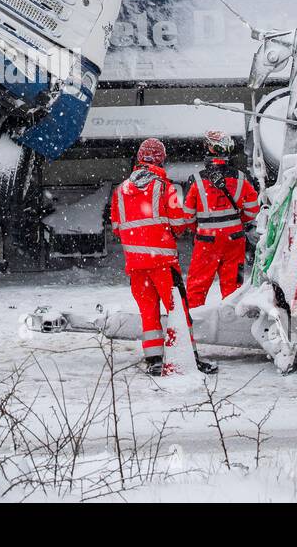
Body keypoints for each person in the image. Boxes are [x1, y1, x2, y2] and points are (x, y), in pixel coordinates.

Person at [109, 137, 216, 376]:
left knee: (148, 313)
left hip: (136, 266)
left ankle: (154, 360)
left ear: (139, 159)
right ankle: (190, 358)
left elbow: (116, 227)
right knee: (178, 311)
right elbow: (179, 224)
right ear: (161, 160)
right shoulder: (164, 187)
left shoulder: (120, 191)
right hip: (163, 263)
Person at [182, 130, 261, 308]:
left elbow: (187, 216)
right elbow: (252, 210)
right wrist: (236, 222)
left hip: (206, 240)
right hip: (235, 240)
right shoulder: (242, 178)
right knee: (234, 286)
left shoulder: (196, 180)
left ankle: (193, 324)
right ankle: (232, 321)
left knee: (197, 287)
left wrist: (200, 228)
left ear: (208, 149)